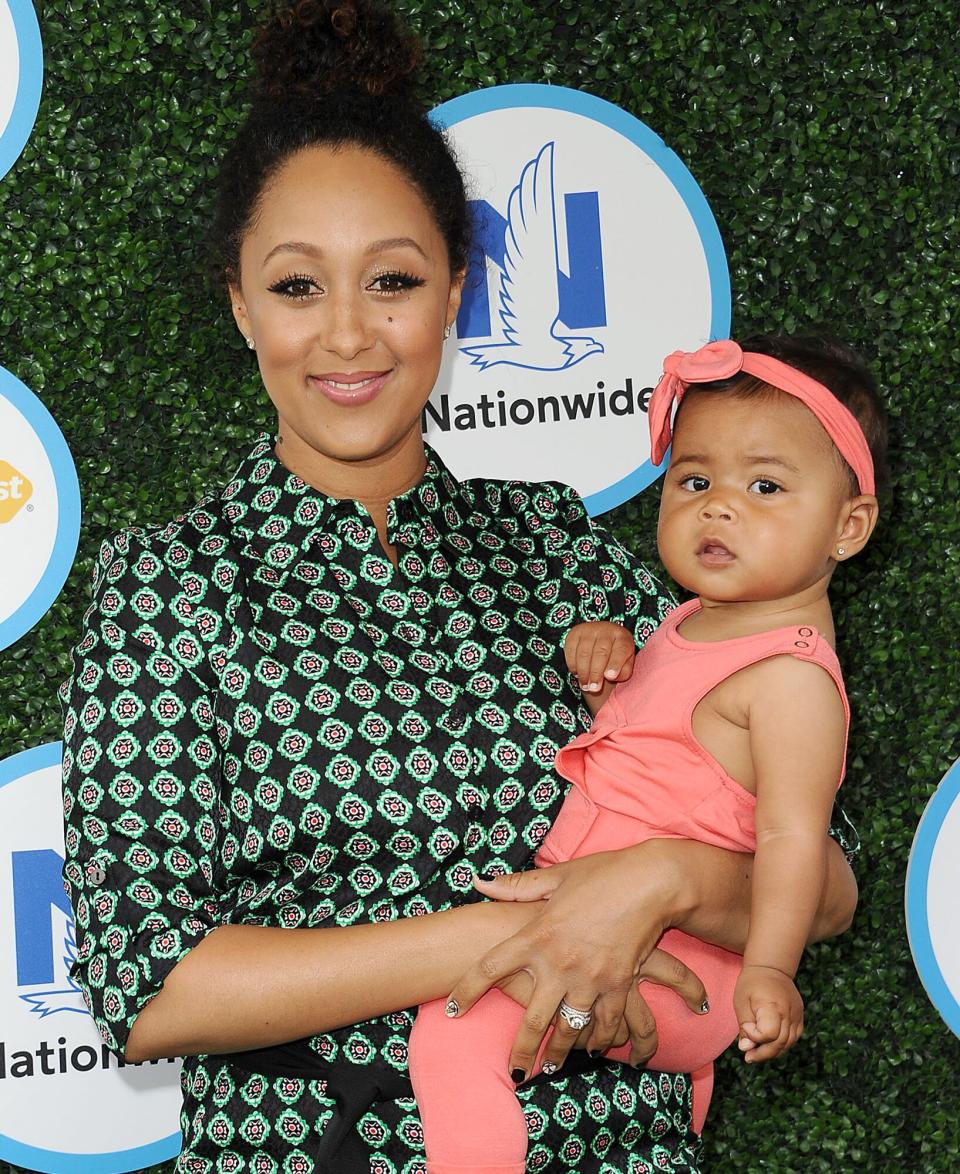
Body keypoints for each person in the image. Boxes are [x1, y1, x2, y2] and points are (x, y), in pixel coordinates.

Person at [58, 3, 858, 1169]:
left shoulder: (561, 550)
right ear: (239, 305)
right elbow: (149, 986)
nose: (347, 336)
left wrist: (665, 877)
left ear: (454, 293)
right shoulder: (171, 585)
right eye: (295, 287)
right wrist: (517, 934)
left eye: (391, 279)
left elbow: (820, 883)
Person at [408, 335, 886, 1173]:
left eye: (765, 486)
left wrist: (770, 969)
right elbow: (668, 761)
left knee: (451, 1033)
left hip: (691, 969)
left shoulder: (791, 681)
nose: (719, 506)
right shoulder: (688, 621)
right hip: (623, 937)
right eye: (695, 481)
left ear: (847, 527)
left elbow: (788, 840)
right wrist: (606, 679)